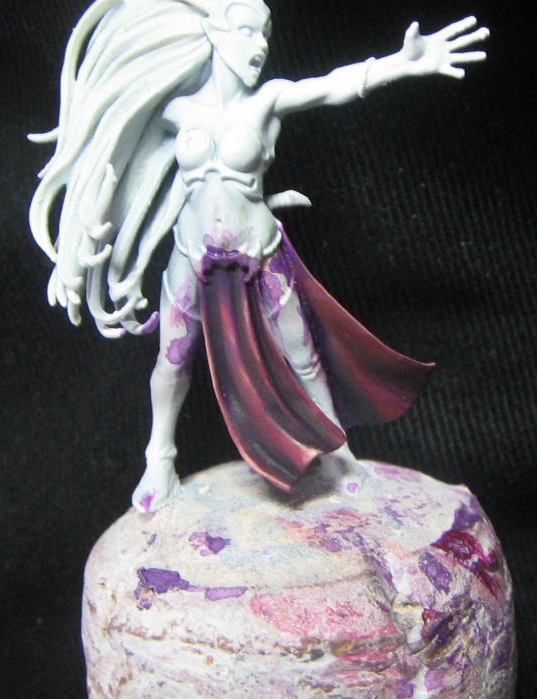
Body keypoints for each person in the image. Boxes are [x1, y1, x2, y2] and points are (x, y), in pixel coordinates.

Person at [29, 0, 489, 512]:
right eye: (247, 31)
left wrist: (400, 64)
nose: (260, 46)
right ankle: (158, 458)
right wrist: (86, 237)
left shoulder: (267, 100)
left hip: (259, 252)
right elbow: (120, 156)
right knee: (172, 360)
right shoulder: (177, 111)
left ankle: (338, 455)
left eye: (265, 34)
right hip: (193, 253)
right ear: (214, 33)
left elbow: (330, 86)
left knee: (303, 355)